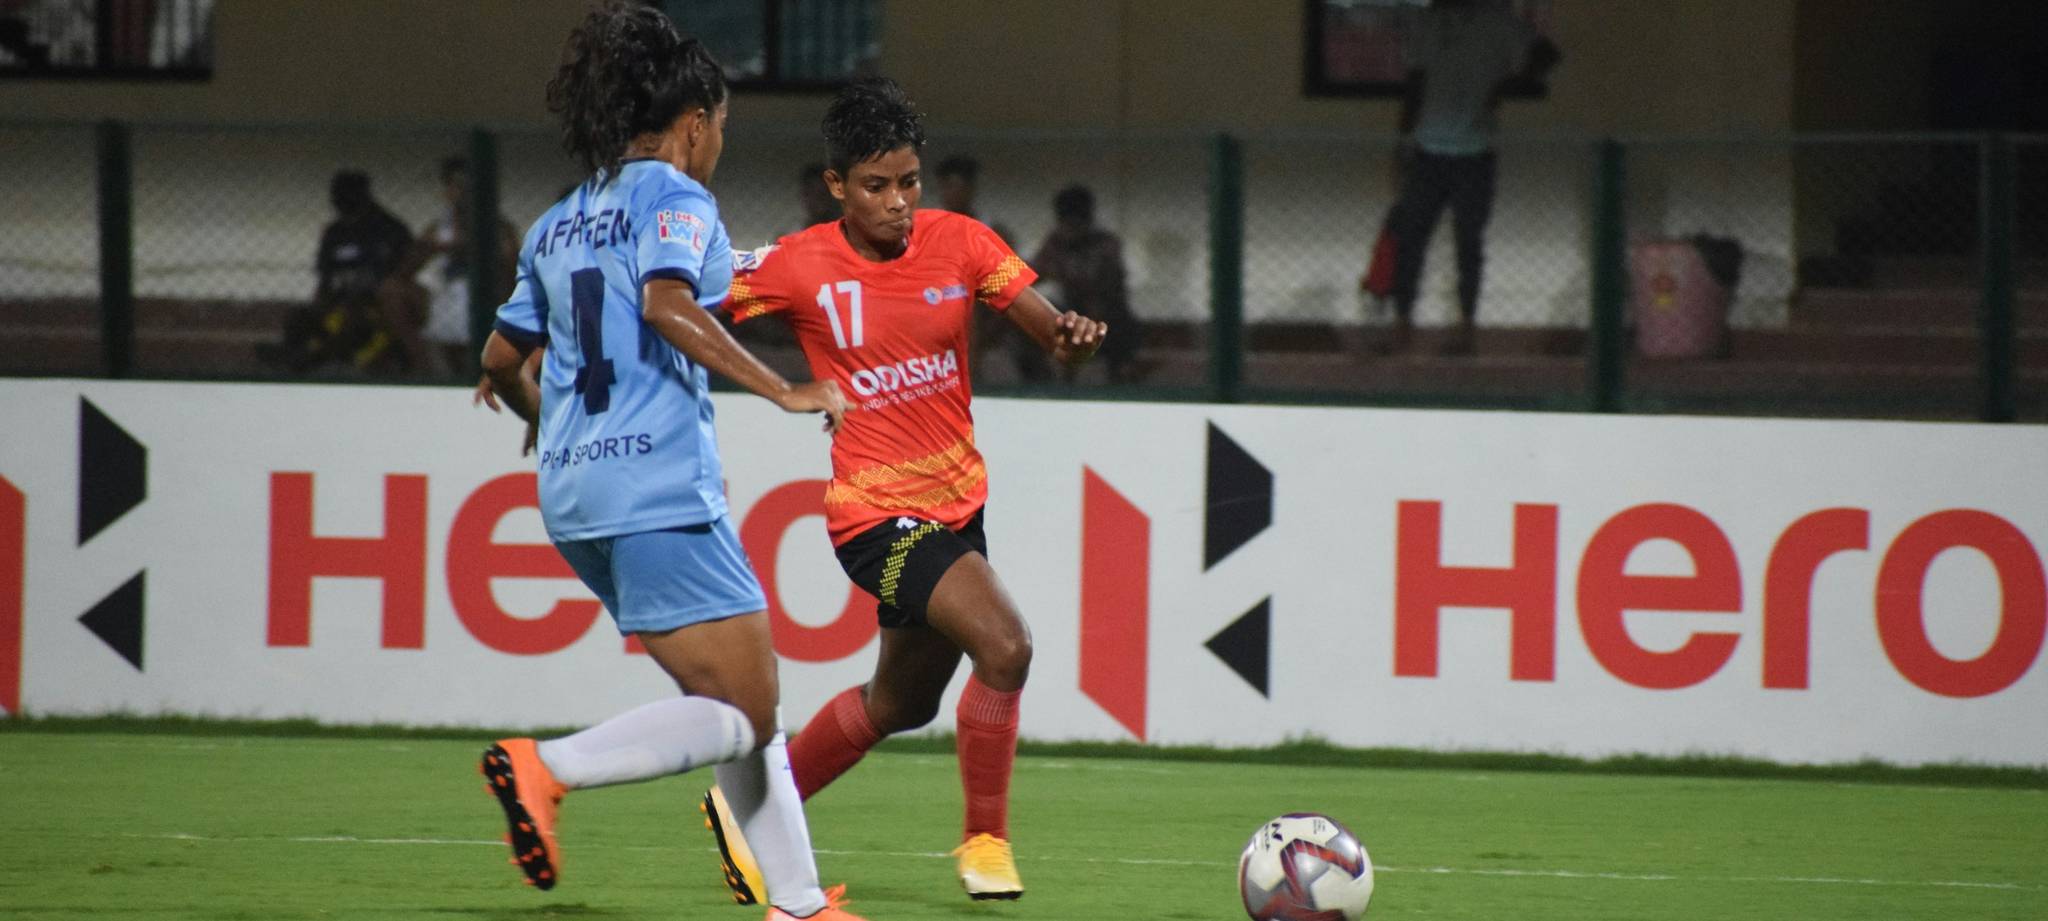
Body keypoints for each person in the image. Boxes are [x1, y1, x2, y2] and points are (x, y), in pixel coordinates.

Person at [470, 6, 866, 921]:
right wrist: (784, 388)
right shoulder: (676, 197)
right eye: (720, 126)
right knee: (749, 708)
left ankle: (800, 903)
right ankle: (547, 766)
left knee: (730, 700)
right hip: (656, 482)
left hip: (574, 495)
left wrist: (546, 417)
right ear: (693, 123)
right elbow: (665, 304)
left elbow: (497, 360)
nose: (719, 144)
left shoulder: (555, 223)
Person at [700, 77, 1105, 904]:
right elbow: (681, 303)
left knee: (900, 702)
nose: (897, 202)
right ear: (837, 185)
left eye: (909, 181)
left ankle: (746, 809)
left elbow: (1052, 336)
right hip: (873, 516)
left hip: (958, 504)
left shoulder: (961, 242)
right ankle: (985, 842)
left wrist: (1074, 340)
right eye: (876, 185)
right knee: (1008, 646)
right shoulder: (796, 263)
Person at [1374, 0, 1559, 356]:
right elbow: (1415, 83)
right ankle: (1403, 324)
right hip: (1428, 149)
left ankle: (1465, 329)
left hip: (1474, 151)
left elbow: (1547, 55)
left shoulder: (1498, 22)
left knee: (1467, 244)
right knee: (1411, 239)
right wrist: (1402, 143)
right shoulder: (1429, 22)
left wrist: (1508, 86)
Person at [256, 170, 413, 374]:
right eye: (337, 195)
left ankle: (314, 361)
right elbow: (325, 278)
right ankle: (292, 354)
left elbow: (401, 273)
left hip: (375, 303)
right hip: (339, 298)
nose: (340, 200)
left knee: (352, 318)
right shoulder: (334, 232)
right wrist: (321, 303)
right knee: (299, 316)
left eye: (348, 194)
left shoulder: (390, 229)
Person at [379, 156, 520, 378]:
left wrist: (474, 247)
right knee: (391, 290)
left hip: (486, 298)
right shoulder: (439, 228)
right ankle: (424, 367)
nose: (461, 192)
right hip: (442, 294)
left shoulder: (500, 228)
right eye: (455, 185)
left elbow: (514, 274)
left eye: (467, 185)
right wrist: (432, 248)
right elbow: (405, 271)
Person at [937, 155, 1046, 384]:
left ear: (971, 189)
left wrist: (983, 337)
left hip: (992, 338)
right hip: (941, 336)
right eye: (949, 186)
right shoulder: (931, 234)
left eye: (960, 186)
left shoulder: (993, 233)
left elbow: (1011, 292)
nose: (954, 193)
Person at [1031, 184, 1143, 382]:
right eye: (1066, 222)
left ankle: (1121, 376)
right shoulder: (1055, 244)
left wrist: (1071, 278)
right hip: (1069, 311)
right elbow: (1032, 274)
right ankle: (1043, 380)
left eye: (1076, 222)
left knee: (1120, 327)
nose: (1070, 229)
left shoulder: (1105, 244)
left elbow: (1110, 284)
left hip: (1107, 313)